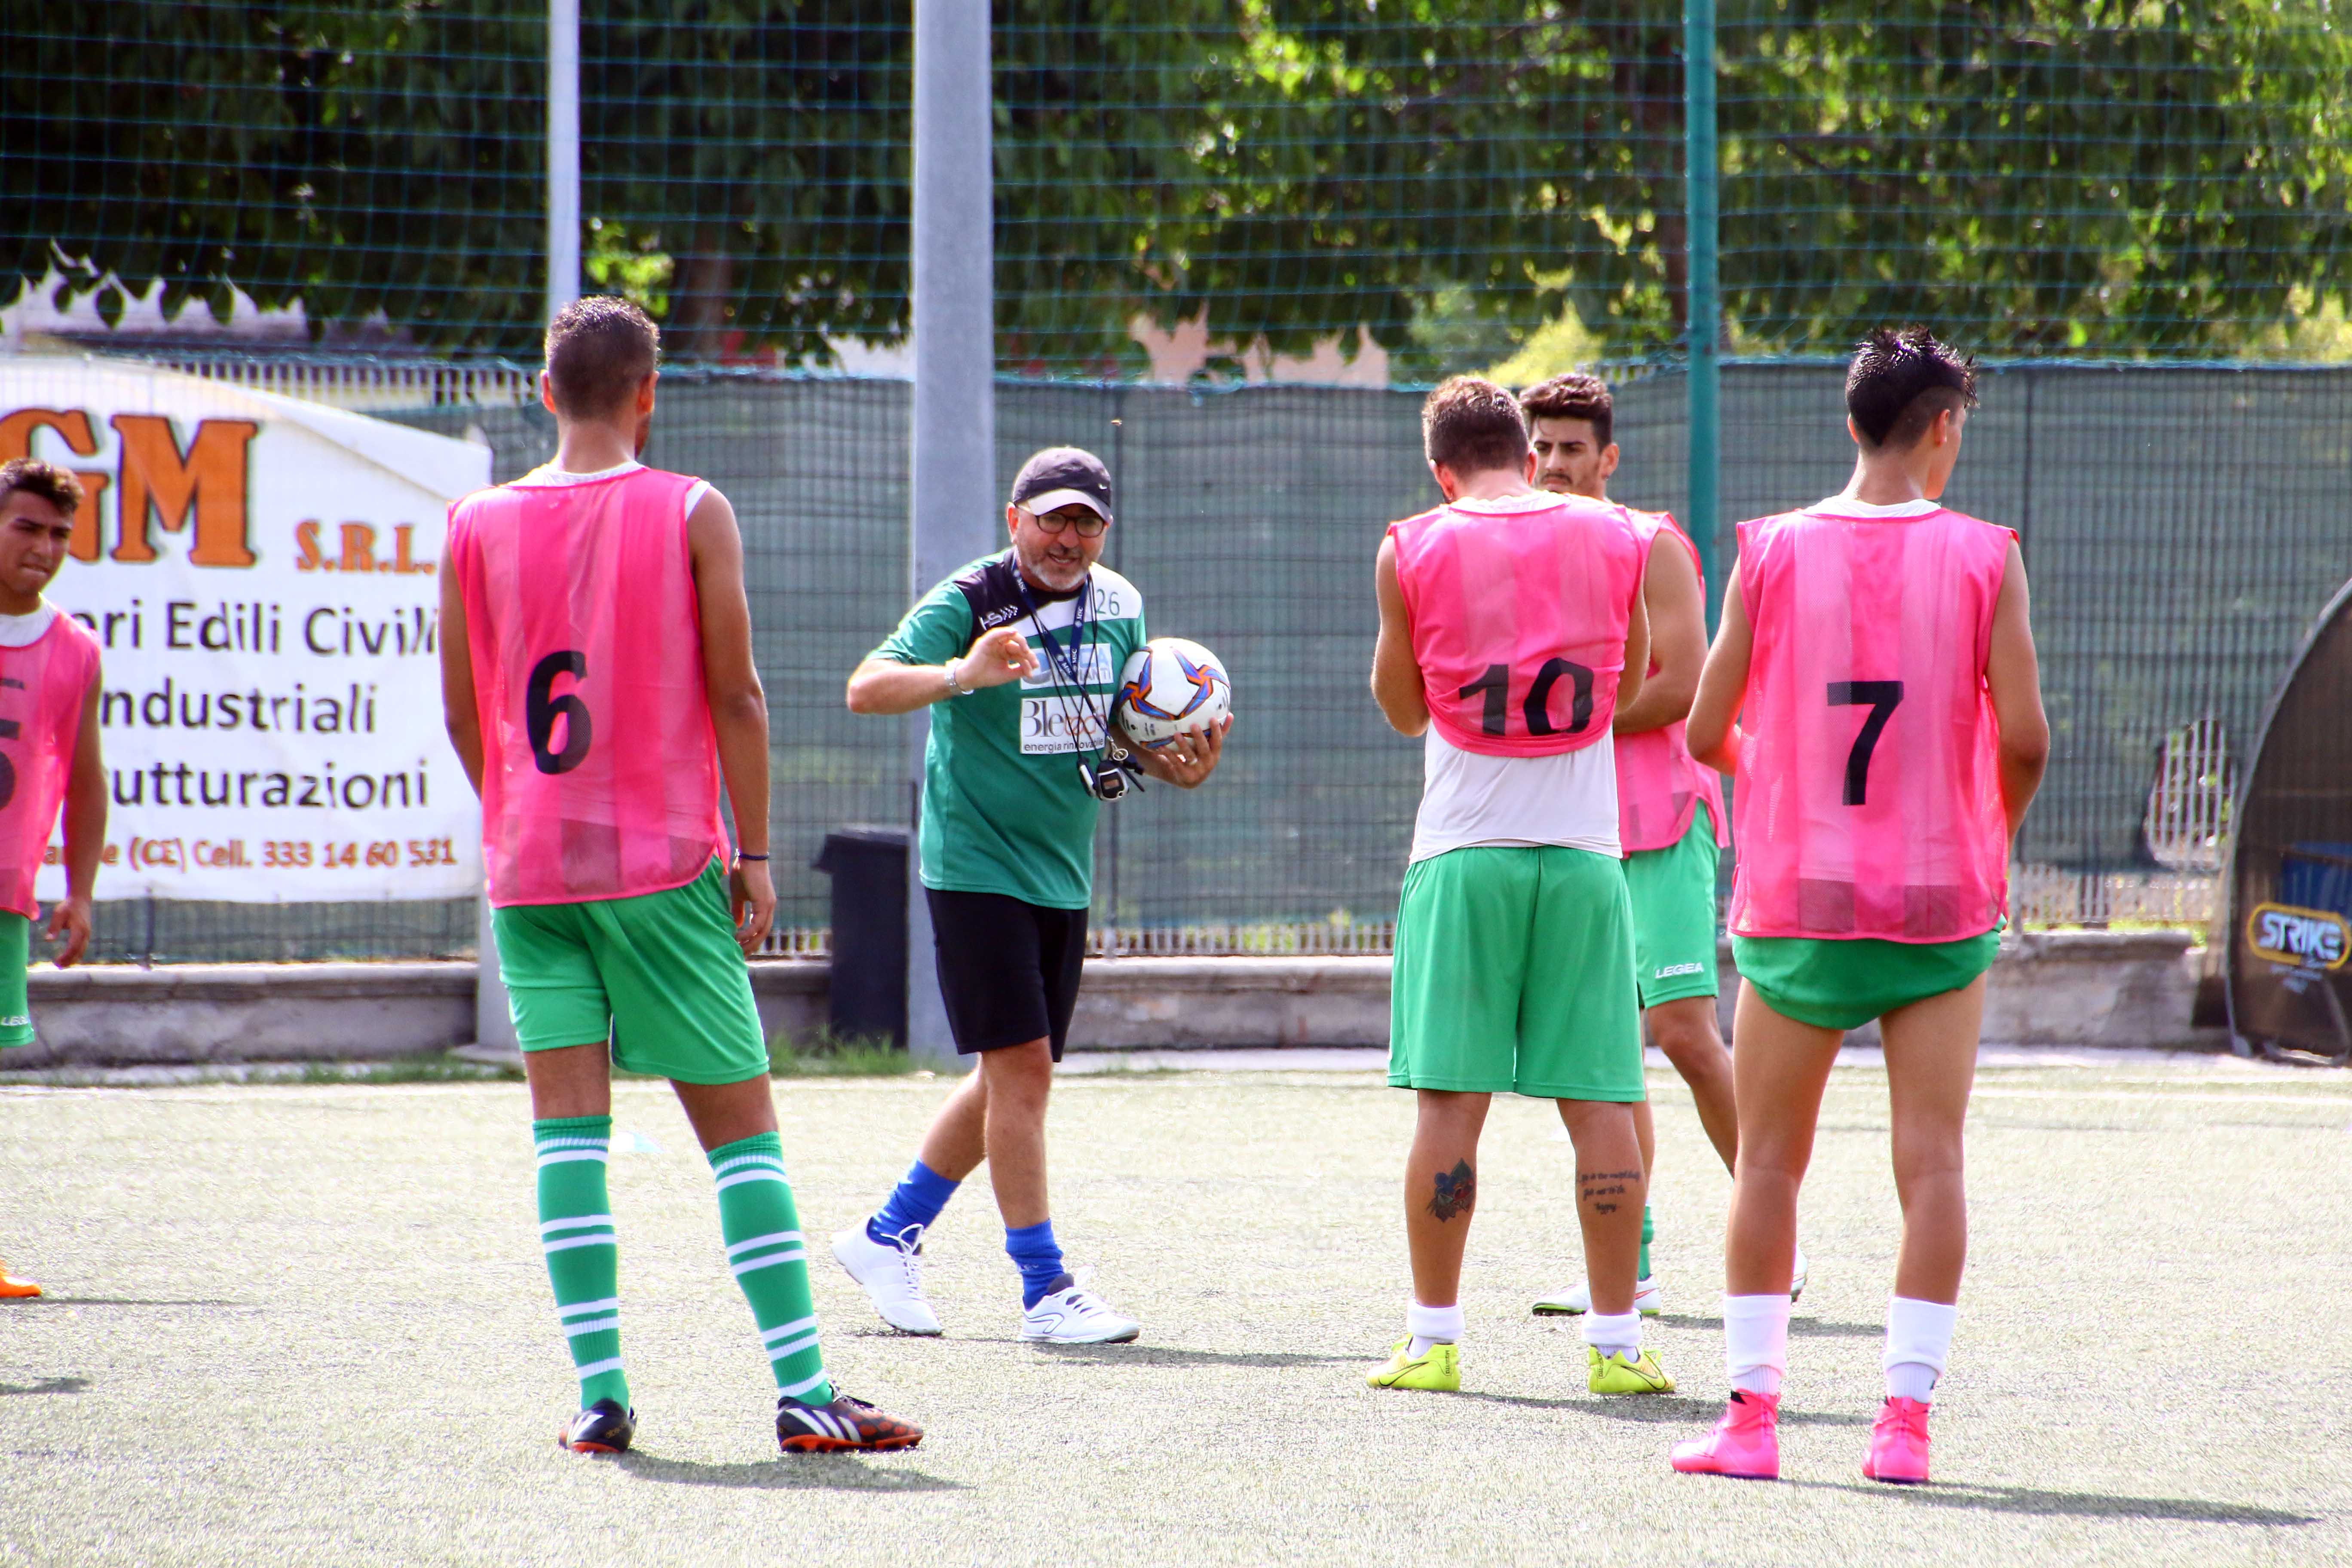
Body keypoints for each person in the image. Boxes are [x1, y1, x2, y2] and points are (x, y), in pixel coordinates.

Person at [440, 296, 920, 1456]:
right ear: (649, 393)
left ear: (545, 392)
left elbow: (464, 715)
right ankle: (804, 1389)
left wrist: (520, 823)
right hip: (658, 863)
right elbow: (738, 694)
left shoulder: (472, 522)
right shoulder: (691, 508)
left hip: (531, 868)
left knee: (567, 1138)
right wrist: (752, 855)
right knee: (741, 1136)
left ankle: (599, 1398)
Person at [1669, 328, 2047, 1484]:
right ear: (1943, 427)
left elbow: (1700, 731)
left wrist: (1779, 766)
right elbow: (2025, 741)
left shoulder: (1768, 550)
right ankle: (1903, 1429)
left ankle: (1750, 1425)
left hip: (1799, 899)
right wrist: (1989, 837)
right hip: (1940, 898)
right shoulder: (1988, 555)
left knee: (1770, 1164)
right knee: (1933, 1164)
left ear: (1851, 424)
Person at [833, 446, 1226, 1344]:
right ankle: (1044, 1291)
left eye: (1085, 520)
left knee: (1012, 1075)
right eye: (1050, 517)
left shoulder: (1121, 605)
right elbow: (866, 688)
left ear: (1105, 530)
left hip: (1062, 867)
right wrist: (962, 674)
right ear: (1014, 520)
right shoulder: (970, 600)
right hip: (976, 866)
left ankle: (886, 1234)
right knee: (1024, 1078)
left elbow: (1109, 741)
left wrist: (1166, 768)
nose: (1067, 536)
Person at [1364, 376, 1672, 1397]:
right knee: (1603, 1105)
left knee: (1451, 1109)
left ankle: (1433, 1341)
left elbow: (1405, 710)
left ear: (1442, 469)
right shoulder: (1615, 534)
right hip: (1587, 858)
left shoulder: (1412, 545)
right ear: (1526, 450)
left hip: (1464, 852)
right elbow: (1627, 691)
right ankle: (1618, 1347)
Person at [1516, 374, 1806, 1315]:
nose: (1556, 466)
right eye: (1543, 448)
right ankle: (1628, 1260)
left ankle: (1775, 1238)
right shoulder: (1519, 556)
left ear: (1608, 458)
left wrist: (1570, 725)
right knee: (1601, 1052)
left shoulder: (1653, 544)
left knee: (1684, 1032)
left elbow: (1683, 684)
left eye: (1572, 449)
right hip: (1573, 830)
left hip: (1663, 823)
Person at [0, 460, 107, 1302]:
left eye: (60, 534)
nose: (45, 547)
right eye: (27, 527)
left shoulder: (75, 650)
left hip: (8, 896)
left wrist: (80, 891)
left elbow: (83, 774)